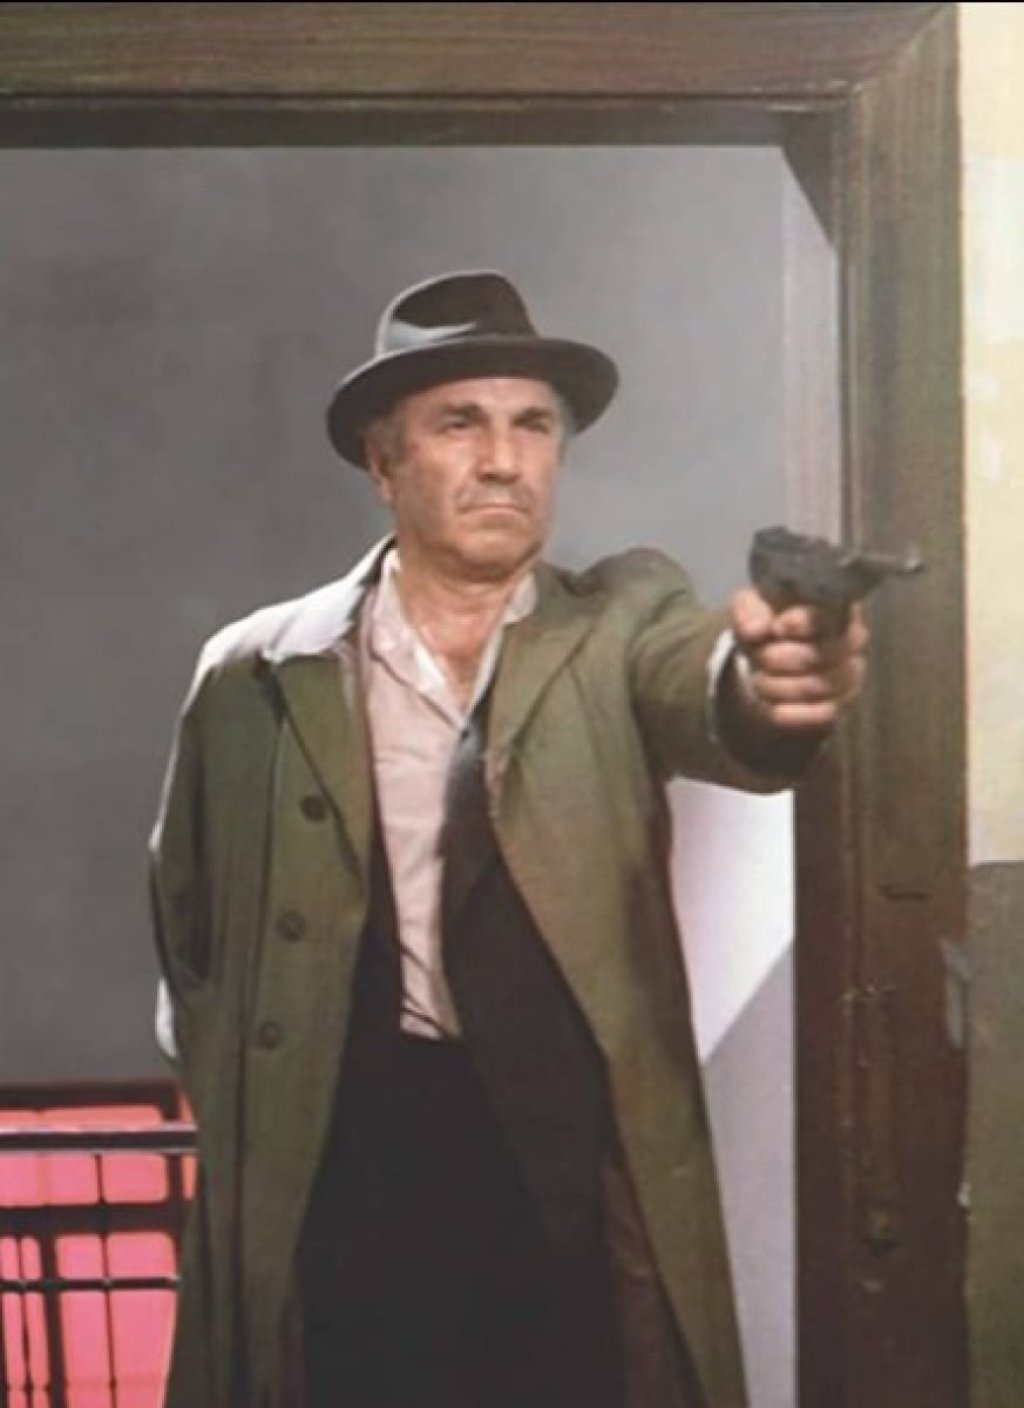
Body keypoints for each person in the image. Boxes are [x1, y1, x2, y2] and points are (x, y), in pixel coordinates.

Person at [150, 270, 867, 1408]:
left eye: (532, 425)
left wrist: (770, 683)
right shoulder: (257, 671)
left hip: (559, 1167)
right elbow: (187, 935)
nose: (502, 459)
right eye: (459, 424)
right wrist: (266, 1106)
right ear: (383, 464)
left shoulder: (619, 620)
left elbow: (705, 683)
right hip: (346, 1166)